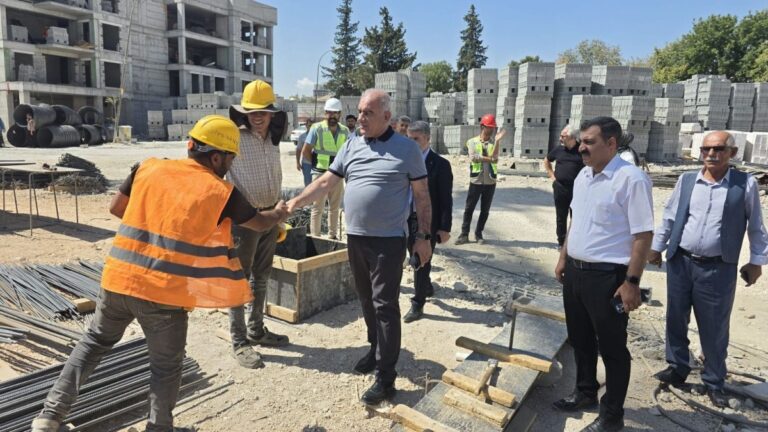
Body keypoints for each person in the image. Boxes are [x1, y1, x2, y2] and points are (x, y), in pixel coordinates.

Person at [31, 115, 288, 432]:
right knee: (165, 368)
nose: (230, 165)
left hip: (118, 281)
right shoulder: (220, 191)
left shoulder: (148, 167)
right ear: (216, 157)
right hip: (165, 294)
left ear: (191, 145)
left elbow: (117, 208)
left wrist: (156, 221)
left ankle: (49, 417)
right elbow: (260, 223)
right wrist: (280, 212)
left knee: (92, 344)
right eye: (230, 158)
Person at [286, 89, 433, 405]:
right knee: (366, 300)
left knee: (385, 306)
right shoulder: (351, 144)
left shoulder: (407, 149)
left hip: (388, 242)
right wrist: (295, 202)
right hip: (356, 238)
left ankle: (386, 377)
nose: (361, 118)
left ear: (386, 117)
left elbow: (422, 197)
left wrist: (423, 237)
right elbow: (326, 182)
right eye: (360, 111)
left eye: (368, 113)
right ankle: (374, 348)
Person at [648, 131, 768, 408]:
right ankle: (677, 367)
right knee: (676, 317)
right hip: (680, 261)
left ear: (732, 153)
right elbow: (670, 216)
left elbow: (756, 227)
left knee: (714, 326)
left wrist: (756, 262)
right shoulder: (687, 180)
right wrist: (656, 247)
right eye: (706, 149)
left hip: (717, 267)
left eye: (718, 149)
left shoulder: (744, 184)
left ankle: (714, 380)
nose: (711, 154)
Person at [553, 116, 654, 432]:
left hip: (608, 278)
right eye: (581, 141)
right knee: (580, 339)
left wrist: (632, 283)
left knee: (612, 348)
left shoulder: (631, 179)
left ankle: (612, 416)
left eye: (589, 142)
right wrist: (563, 257)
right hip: (576, 273)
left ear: (611, 143)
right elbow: (577, 221)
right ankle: (584, 392)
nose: (582, 148)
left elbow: (643, 235)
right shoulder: (584, 176)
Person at [226, 80, 291, 369]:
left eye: (262, 112)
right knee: (238, 280)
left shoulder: (273, 139)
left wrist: (278, 212)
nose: (257, 117)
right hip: (244, 219)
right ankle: (239, 341)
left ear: (271, 113)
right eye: (252, 112)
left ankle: (256, 329)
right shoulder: (234, 137)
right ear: (244, 113)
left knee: (261, 276)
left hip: (271, 214)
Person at [402, 121, 453, 323]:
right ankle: (426, 286)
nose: (412, 143)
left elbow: (445, 199)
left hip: (426, 220)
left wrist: (444, 227)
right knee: (416, 257)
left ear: (428, 138)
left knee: (419, 259)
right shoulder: (404, 161)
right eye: (409, 139)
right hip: (405, 217)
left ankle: (418, 303)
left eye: (416, 139)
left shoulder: (440, 165)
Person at [302, 98, 350, 239]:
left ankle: (332, 236)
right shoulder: (317, 128)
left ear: (340, 114)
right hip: (320, 174)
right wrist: (315, 164)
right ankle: (315, 237)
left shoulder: (345, 131)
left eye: (335, 113)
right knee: (317, 208)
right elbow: (306, 150)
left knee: (334, 208)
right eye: (329, 112)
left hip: (337, 175)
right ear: (325, 113)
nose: (331, 116)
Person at [455, 114, 505, 245]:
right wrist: (490, 159)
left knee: (485, 210)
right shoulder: (472, 142)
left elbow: (495, 158)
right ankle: (464, 234)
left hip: (490, 181)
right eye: (489, 127)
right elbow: (474, 157)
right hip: (476, 180)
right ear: (482, 126)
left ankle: (478, 234)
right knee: (469, 208)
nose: (492, 130)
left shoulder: (494, 143)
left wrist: (497, 141)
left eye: (493, 127)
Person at [544, 124, 584, 248]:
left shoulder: (581, 151)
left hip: (577, 189)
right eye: (560, 135)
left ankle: (573, 242)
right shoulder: (559, 149)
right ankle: (561, 242)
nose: (560, 138)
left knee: (576, 216)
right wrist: (552, 177)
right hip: (560, 187)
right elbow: (547, 160)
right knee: (561, 216)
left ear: (572, 137)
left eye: (563, 136)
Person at [296, 118, 314, 186]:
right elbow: (298, 150)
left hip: (317, 164)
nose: (311, 127)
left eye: (312, 126)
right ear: (306, 125)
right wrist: (297, 162)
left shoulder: (319, 136)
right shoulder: (302, 137)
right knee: (308, 184)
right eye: (309, 125)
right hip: (306, 164)